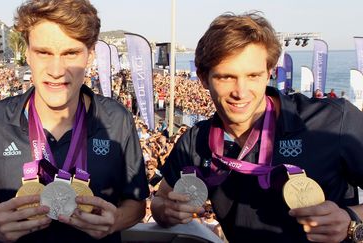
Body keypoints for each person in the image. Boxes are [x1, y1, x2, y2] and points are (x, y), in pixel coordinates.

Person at [151, 12, 363, 243]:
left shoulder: (334, 120)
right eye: (226, 77)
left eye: (253, 75)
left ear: (269, 72)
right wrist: (167, 212)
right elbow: (161, 200)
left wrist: (352, 220)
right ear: (203, 78)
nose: (240, 92)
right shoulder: (196, 141)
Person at [0, 0, 149, 242]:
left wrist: (115, 221)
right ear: (27, 54)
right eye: (43, 52)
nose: (56, 70)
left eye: (70, 53)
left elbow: (136, 204)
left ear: (90, 56)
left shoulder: (117, 119)